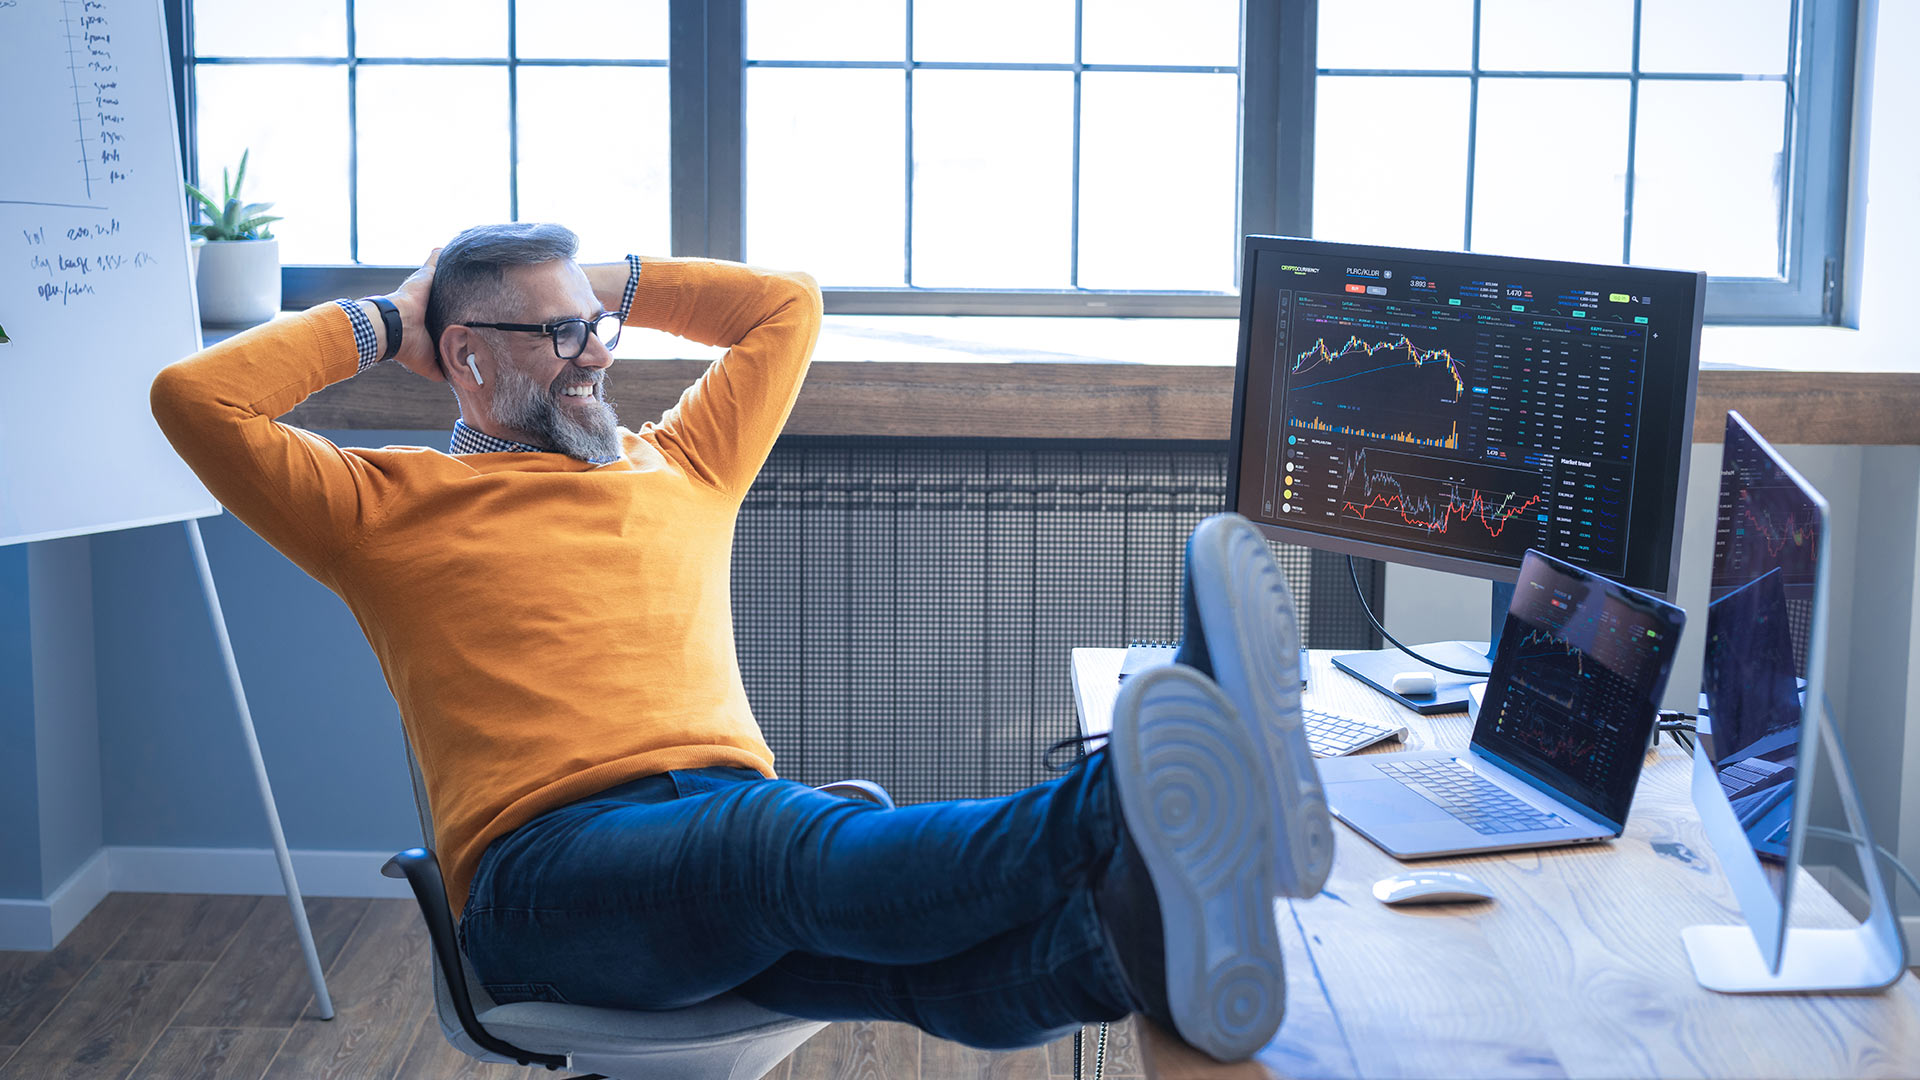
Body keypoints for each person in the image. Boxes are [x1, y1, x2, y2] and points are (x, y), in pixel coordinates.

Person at [150, 223, 1333, 1062]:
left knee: (898, 964)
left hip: (710, 833)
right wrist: (391, 318)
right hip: (547, 883)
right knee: (780, 843)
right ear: (466, 358)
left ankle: (1133, 955)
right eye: (558, 335)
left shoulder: (682, 460)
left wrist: (593, 278)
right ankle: (1142, 797)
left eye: (598, 324)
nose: (600, 352)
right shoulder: (376, 502)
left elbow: (788, 305)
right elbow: (192, 401)